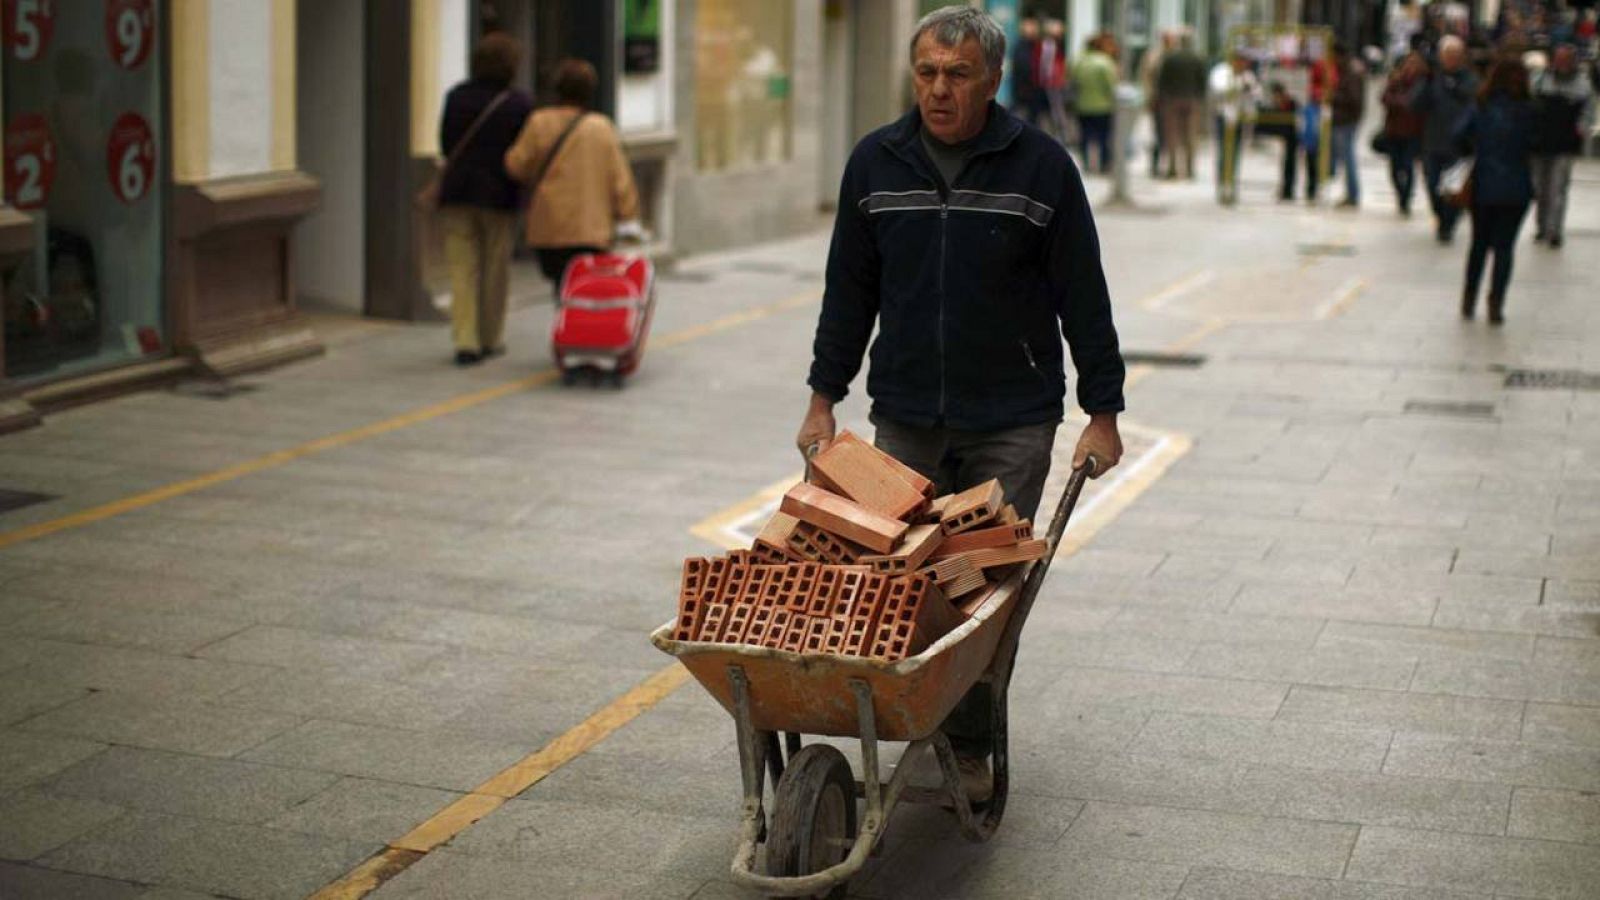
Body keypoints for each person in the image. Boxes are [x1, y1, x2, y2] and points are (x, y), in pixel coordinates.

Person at [797, 6, 1125, 805]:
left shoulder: (1042, 168)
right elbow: (850, 294)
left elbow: (1084, 295)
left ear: (992, 79)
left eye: (956, 75)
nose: (938, 90)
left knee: (982, 595)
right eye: (926, 73)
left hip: (1012, 419)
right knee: (902, 582)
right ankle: (914, 715)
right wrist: (822, 399)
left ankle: (971, 743)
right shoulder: (876, 163)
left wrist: (1104, 411)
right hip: (905, 415)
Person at [436, 33, 534, 366]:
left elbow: (447, 145)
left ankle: (465, 341)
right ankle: (491, 337)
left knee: (462, 269)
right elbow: (524, 154)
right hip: (500, 195)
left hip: (458, 192)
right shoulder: (520, 103)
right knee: (495, 269)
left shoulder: (456, 97)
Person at [504, 59, 641, 288]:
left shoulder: (539, 122)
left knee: (561, 284)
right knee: (583, 288)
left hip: (549, 227)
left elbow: (515, 165)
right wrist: (628, 217)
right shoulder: (602, 127)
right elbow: (621, 181)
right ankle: (578, 322)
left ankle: (565, 317)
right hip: (592, 230)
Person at [1455, 55, 1534, 325]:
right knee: (1504, 247)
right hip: (1517, 187)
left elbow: (1459, 134)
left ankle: (1469, 298)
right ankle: (1496, 302)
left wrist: (1474, 149)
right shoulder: (1529, 109)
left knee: (1478, 244)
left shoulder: (1481, 105)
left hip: (1484, 184)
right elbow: (1537, 143)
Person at [1414, 35, 1478, 242]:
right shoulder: (1433, 79)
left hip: (1458, 146)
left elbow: (1474, 103)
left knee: (1453, 189)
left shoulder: (1469, 79)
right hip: (1433, 141)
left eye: (1455, 55)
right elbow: (1415, 104)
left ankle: (1448, 224)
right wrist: (1427, 81)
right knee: (1433, 185)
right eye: (1447, 55)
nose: (1450, 60)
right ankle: (1440, 216)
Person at [1529, 43, 1595, 248]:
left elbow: (1588, 112)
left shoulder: (1582, 85)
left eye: (1567, 59)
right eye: (1559, 58)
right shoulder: (1540, 80)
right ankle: (1541, 226)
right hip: (1540, 144)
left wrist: (1582, 129)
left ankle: (1554, 230)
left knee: (1558, 189)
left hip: (1564, 145)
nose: (1562, 63)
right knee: (1540, 189)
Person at [1156, 32, 1210, 179]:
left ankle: (1172, 168)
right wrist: (1200, 99)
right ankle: (1190, 168)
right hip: (1192, 100)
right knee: (1191, 135)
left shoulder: (1170, 58)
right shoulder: (1198, 58)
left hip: (1172, 100)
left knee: (1172, 135)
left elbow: (1162, 81)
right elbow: (1203, 82)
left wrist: (1162, 98)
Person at [1381, 50, 1428, 215]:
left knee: (1408, 166)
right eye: (1408, 63)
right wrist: (1401, 103)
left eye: (1414, 64)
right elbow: (1385, 97)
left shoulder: (1423, 83)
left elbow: (1422, 106)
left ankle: (1406, 199)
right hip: (1394, 131)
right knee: (1394, 167)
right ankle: (1400, 194)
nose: (1410, 67)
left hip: (1413, 132)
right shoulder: (1396, 80)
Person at [1208, 50, 1258, 203]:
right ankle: (1223, 183)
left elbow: (1256, 94)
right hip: (1224, 116)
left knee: (1235, 152)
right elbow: (1218, 90)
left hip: (1240, 118)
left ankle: (1232, 183)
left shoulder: (1248, 76)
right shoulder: (1222, 72)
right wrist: (1238, 87)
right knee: (1224, 151)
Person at [1071, 34, 1119, 174]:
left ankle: (1086, 163)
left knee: (1085, 135)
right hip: (1103, 106)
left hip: (1082, 105)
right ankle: (1103, 164)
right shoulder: (1105, 62)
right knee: (1104, 136)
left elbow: (1073, 82)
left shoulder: (1079, 62)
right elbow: (1110, 85)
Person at [1329, 41, 1367, 208]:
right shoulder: (1348, 70)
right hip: (1345, 119)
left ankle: (1353, 194)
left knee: (1348, 158)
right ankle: (1351, 192)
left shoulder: (1351, 72)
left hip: (1345, 120)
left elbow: (1353, 99)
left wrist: (1333, 96)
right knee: (1345, 157)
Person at [1257, 81, 1303, 201]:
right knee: (1286, 164)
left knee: (1290, 165)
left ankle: (1289, 190)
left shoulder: (1290, 104)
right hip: (1288, 139)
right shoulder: (1280, 104)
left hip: (1293, 139)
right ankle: (1286, 189)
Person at [1139, 30, 1176, 177]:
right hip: (1159, 100)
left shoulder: (1173, 55)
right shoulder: (1154, 56)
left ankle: (1169, 166)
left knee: (1169, 136)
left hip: (1171, 101)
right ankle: (1156, 165)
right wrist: (1150, 98)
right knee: (1158, 134)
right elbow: (1146, 78)